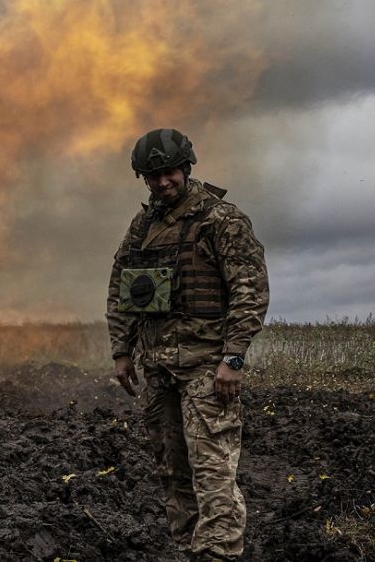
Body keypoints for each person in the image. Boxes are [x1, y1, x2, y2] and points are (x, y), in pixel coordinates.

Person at [107, 128, 269, 560]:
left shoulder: (220, 220)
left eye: (169, 172)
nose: (162, 182)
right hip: (158, 372)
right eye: (152, 175)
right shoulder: (142, 226)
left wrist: (233, 358)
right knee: (173, 477)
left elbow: (249, 292)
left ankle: (218, 556)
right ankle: (189, 552)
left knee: (213, 476)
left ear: (186, 168)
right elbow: (122, 287)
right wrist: (122, 350)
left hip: (206, 371)